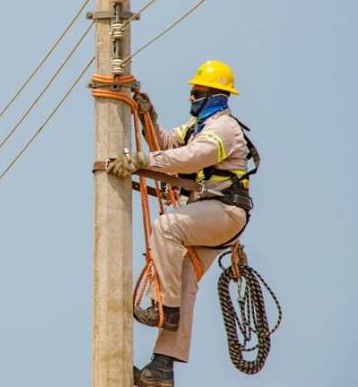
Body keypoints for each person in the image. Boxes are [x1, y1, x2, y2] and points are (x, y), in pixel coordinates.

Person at [106, 60, 258, 387]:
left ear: (215, 95)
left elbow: (192, 159)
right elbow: (165, 145)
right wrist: (148, 117)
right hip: (210, 213)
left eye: (197, 93)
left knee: (166, 227)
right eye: (191, 93)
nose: (191, 98)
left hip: (224, 211)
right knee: (185, 278)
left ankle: (167, 308)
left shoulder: (224, 129)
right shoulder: (196, 128)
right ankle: (162, 368)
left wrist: (143, 161)